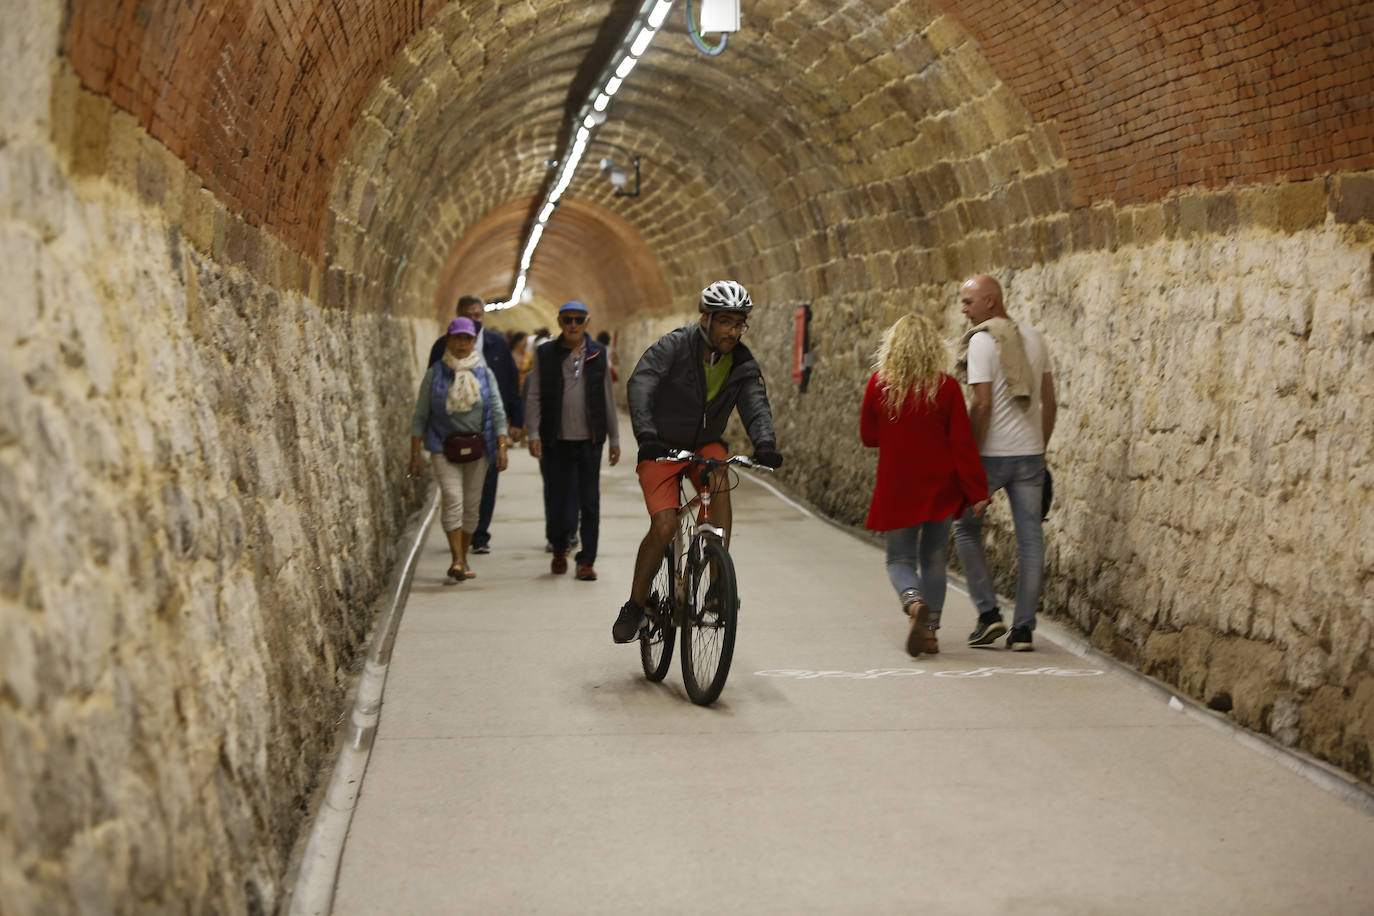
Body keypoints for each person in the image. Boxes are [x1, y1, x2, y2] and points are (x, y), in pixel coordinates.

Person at [612, 280, 784, 643]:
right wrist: (646, 436)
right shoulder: (674, 346)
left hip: (705, 445)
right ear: (705, 319)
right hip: (660, 445)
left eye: (739, 324)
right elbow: (642, 383)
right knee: (663, 528)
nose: (733, 332)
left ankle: (717, 588)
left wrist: (765, 443)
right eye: (725, 322)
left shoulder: (741, 361)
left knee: (721, 483)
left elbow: (755, 403)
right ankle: (635, 606)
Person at [861, 314, 989, 657]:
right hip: (940, 487)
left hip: (899, 484)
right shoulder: (946, 388)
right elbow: (963, 444)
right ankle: (931, 634)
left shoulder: (879, 384)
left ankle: (913, 601)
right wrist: (977, 491)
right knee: (933, 559)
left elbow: (868, 436)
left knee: (899, 559)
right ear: (933, 348)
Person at [952, 274, 1057, 652]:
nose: (963, 310)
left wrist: (970, 458)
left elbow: (981, 404)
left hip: (991, 456)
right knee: (1031, 541)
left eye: (968, 302)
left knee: (965, 530)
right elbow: (1049, 401)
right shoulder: (1034, 337)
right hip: (1029, 455)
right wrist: (1040, 448)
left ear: (990, 302)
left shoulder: (982, 341)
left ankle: (988, 615)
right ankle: (1024, 630)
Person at [524, 301, 621, 580]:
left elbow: (607, 398)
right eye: (568, 320)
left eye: (579, 319)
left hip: (590, 440)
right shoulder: (545, 354)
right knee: (558, 498)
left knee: (590, 501)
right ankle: (559, 546)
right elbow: (534, 394)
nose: (573, 325)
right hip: (556, 439)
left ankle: (586, 559)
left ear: (587, 322)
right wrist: (533, 433)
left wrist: (614, 438)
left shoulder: (598, 354)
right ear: (559, 321)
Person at [410, 317, 509, 581]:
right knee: (453, 499)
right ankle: (456, 559)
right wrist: (415, 453)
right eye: (458, 338)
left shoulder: (485, 374)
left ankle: (463, 558)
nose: (462, 343)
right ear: (449, 340)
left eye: (467, 338)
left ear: (473, 341)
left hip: (480, 448)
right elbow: (420, 414)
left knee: (472, 506)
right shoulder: (436, 374)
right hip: (443, 446)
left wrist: (502, 446)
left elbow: (498, 411)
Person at [428, 295, 524, 555]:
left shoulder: (497, 345)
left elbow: (510, 382)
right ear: (457, 316)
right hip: (450, 431)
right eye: (468, 316)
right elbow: (431, 387)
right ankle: (460, 543)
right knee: (454, 493)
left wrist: (516, 419)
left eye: (478, 316)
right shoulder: (441, 347)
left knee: (487, 482)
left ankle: (479, 534)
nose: (474, 321)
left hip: (488, 426)